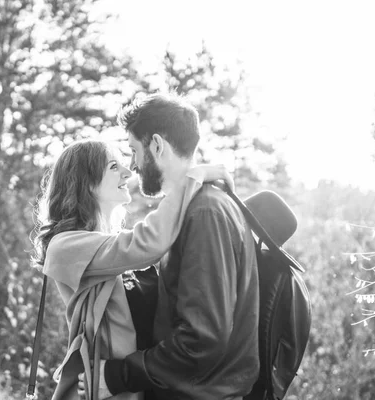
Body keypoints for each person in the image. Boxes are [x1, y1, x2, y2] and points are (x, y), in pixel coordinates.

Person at [31, 138, 233, 400]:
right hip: (108, 390)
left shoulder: (110, 244)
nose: (128, 172)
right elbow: (150, 242)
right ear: (86, 182)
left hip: (140, 386)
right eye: (114, 166)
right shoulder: (66, 245)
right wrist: (194, 177)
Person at [90, 93, 261, 400]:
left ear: (157, 145)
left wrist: (117, 376)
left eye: (133, 150)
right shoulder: (191, 211)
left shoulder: (205, 212)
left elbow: (201, 339)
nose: (132, 165)